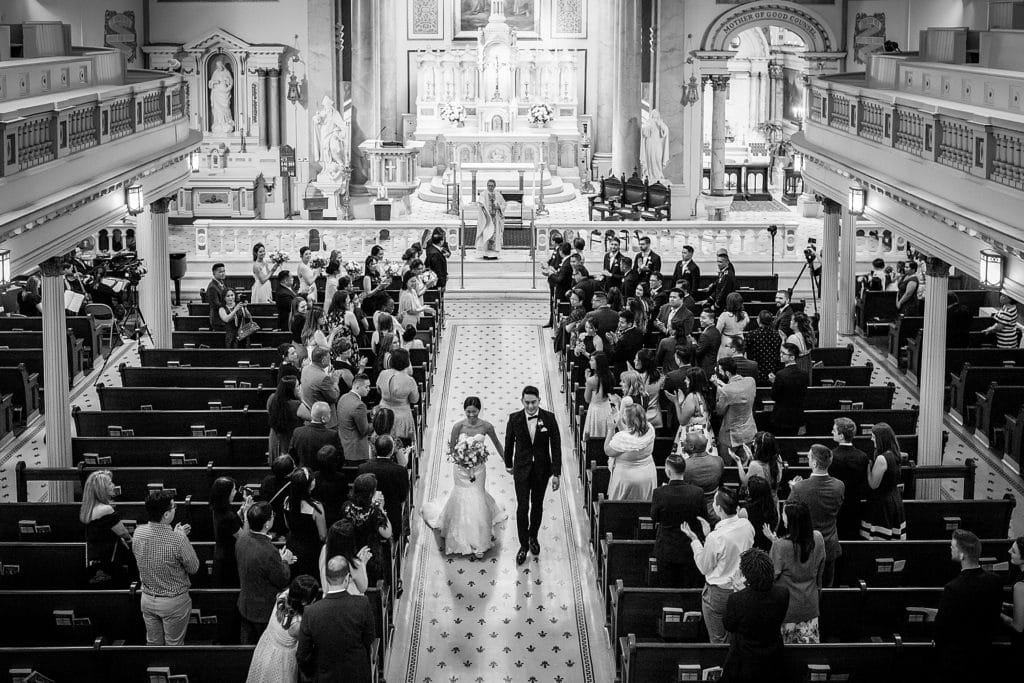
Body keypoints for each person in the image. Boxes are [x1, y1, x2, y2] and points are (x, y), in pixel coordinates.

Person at [422, 398, 507, 558]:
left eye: (474, 412)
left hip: (479, 469)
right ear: (464, 411)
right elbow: (452, 450)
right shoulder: (458, 426)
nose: (471, 415)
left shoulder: (486, 426)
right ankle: (464, 535)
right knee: (463, 497)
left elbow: (497, 444)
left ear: (479, 411)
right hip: (461, 470)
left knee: (477, 497)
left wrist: (507, 462)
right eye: (468, 412)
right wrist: (464, 459)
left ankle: (479, 536)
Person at [682, 488, 755, 643]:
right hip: (742, 588)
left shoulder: (716, 537)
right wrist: (709, 535)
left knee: (718, 640)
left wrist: (695, 540)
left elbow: (704, 567)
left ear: (719, 508)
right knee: (736, 636)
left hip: (719, 592)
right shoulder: (747, 525)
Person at [934, 529, 1006, 682]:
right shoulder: (996, 581)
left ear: (962, 555)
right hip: (985, 652)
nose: (950, 548)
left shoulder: (953, 588)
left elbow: (942, 626)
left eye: (952, 547)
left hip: (956, 658)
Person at [132, 490, 199, 646]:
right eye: (174, 506)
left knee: (153, 645)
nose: (175, 508)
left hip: (147, 598)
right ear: (167, 515)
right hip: (173, 602)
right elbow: (194, 567)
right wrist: (181, 537)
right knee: (174, 646)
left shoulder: (138, 532)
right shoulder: (178, 539)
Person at [504, 385, 562, 566]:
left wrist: (556, 473)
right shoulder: (514, 419)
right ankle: (523, 545)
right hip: (521, 469)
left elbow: (556, 446)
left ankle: (533, 537)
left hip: (542, 470)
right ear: (522, 401)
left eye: (533, 402)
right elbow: (509, 443)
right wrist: (508, 464)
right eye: (527, 402)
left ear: (539, 401)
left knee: (537, 505)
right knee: (522, 507)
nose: (530, 406)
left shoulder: (549, 418)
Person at [297, 555, 375, 682]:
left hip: (325, 676)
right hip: (356, 674)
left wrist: (316, 672)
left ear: (327, 579)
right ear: (347, 579)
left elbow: (302, 655)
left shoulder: (310, 612)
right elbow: (369, 638)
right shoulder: (362, 604)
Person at [721, 549, 790, 683]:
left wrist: (738, 591)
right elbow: (760, 604)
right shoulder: (783, 594)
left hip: (744, 661)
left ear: (748, 576)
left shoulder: (737, 599)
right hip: (773, 659)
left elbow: (729, 625)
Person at [236, 502, 296, 644]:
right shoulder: (269, 551)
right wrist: (285, 561)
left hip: (245, 604)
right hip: (263, 612)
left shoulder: (242, 538)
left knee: (247, 646)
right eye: (272, 516)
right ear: (267, 524)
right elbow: (282, 579)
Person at [765, 501, 825, 643]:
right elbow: (820, 572)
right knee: (807, 656)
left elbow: (769, 577)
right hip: (810, 605)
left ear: (792, 521)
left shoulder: (780, 546)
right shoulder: (818, 538)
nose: (782, 517)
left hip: (787, 610)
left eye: (784, 514)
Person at [787, 445, 844, 587]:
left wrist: (794, 488)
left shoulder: (799, 488)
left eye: (808, 457)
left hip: (805, 547)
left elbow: (789, 513)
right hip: (829, 546)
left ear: (814, 463)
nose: (807, 459)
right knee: (826, 588)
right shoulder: (839, 485)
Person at [245, 574, 320, 683]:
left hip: (264, 651)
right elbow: (310, 644)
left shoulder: (283, 596)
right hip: (280, 663)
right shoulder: (297, 625)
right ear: (304, 602)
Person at [651, 455, 707, 588]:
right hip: (690, 548)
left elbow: (654, 517)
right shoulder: (697, 492)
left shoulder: (659, 493)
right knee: (688, 587)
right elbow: (703, 518)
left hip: (667, 548)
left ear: (668, 472)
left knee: (668, 588)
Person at [79, 470, 134, 586]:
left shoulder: (88, 510)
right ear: (101, 489)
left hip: (96, 562)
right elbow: (125, 534)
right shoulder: (105, 509)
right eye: (109, 483)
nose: (113, 485)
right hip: (110, 564)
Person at [341, 474, 393, 584]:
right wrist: (382, 510)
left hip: (350, 552)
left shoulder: (346, 506)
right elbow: (387, 533)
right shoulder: (374, 511)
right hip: (369, 555)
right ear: (371, 493)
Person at [860, 423, 907, 541]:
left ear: (881, 438)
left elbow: (873, 484)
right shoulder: (895, 453)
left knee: (879, 540)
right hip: (894, 498)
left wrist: (868, 467)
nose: (871, 439)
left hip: (882, 503)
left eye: (873, 436)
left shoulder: (882, 458)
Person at [603, 400, 657, 501]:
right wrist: (619, 422)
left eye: (624, 415)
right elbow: (631, 435)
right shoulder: (650, 429)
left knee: (624, 509)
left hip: (627, 479)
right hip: (647, 475)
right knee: (643, 507)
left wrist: (611, 429)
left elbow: (608, 450)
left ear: (629, 420)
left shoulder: (622, 438)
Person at [359, 435, 410, 540]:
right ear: (392, 451)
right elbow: (403, 495)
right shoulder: (400, 471)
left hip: (368, 517)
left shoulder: (363, 468)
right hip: (392, 515)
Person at [829, 417, 870, 540]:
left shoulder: (832, 456)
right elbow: (864, 482)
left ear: (841, 436)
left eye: (834, 430)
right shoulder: (862, 456)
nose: (832, 432)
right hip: (854, 505)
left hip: (836, 505)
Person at [282, 467, 327, 580]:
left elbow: (287, 525)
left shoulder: (287, 501)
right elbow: (322, 536)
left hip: (292, 546)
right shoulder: (316, 507)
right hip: (311, 550)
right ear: (309, 485)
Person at [714, 357, 757, 464]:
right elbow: (737, 392)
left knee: (726, 467)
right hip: (748, 432)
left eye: (720, 371)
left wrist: (719, 389)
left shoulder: (725, 390)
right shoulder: (751, 381)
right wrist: (722, 386)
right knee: (745, 465)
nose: (719, 373)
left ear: (727, 373)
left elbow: (719, 410)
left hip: (730, 436)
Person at [210, 477, 249, 588]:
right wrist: (246, 515)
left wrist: (240, 512)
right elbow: (244, 538)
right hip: (229, 560)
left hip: (220, 554)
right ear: (226, 493)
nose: (235, 492)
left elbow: (230, 524)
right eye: (233, 490)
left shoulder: (216, 508)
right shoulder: (227, 517)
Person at [377, 348, 420, 446]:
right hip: (402, 418)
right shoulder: (409, 380)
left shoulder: (383, 374)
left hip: (384, 414)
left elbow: (379, 390)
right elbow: (414, 399)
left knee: (383, 443)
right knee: (403, 445)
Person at [680, 432, 724, 524]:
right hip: (714, 512)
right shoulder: (719, 461)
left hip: (692, 512)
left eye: (685, 441)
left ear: (692, 447)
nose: (683, 443)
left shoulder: (685, 466)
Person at [582, 352, 616, 464]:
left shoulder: (591, 380)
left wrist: (586, 379)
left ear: (598, 363)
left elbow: (587, 399)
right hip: (607, 408)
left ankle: (592, 460)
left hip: (596, 411)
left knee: (593, 437)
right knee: (607, 435)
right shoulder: (610, 375)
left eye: (592, 360)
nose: (589, 362)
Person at [769, 343, 809, 435]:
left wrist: (774, 382)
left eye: (783, 353)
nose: (780, 355)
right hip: (796, 415)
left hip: (781, 416)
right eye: (780, 352)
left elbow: (774, 396)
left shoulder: (781, 374)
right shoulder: (804, 374)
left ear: (792, 357)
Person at [290, 402, 342, 467]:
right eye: (329, 413)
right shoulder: (332, 435)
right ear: (323, 418)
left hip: (303, 472)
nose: (330, 415)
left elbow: (292, 454)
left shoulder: (297, 431)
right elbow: (339, 457)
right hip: (323, 473)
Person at [299, 348, 341, 428]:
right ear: (323, 361)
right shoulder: (323, 378)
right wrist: (335, 382)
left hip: (310, 416)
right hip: (325, 422)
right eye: (329, 358)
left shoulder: (305, 369)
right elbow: (334, 397)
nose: (330, 360)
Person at [338, 374, 372, 465]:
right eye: (366, 386)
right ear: (357, 387)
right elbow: (364, 431)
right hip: (357, 453)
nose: (369, 389)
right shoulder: (359, 405)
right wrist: (377, 422)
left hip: (344, 447)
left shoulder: (343, 397)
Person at [310, 445, 348, 528]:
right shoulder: (341, 478)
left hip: (317, 517)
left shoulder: (314, 477)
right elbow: (344, 498)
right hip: (336, 518)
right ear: (335, 461)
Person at [260, 454, 295, 539]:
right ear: (289, 472)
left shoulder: (267, 481)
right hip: (285, 523)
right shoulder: (293, 484)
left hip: (270, 521)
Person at [740, 475, 779, 552]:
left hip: (752, 549)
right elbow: (776, 523)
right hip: (768, 546)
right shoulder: (773, 505)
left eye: (748, 488)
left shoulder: (744, 512)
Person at [268, 377, 302, 462]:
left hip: (275, 437)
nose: (300, 388)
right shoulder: (296, 405)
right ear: (290, 390)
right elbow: (310, 416)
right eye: (297, 386)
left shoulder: (272, 398)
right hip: (288, 439)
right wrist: (301, 398)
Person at [747, 310, 782, 386]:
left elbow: (747, 351)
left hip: (756, 372)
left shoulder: (751, 335)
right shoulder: (777, 335)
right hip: (772, 371)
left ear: (758, 320)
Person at [606, 310, 644, 376]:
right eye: (619, 322)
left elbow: (615, 356)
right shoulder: (638, 332)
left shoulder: (625, 338)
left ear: (629, 324)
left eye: (622, 323)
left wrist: (612, 342)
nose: (619, 325)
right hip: (634, 369)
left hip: (624, 371)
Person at [475, 178, 506, 260]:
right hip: (487, 219)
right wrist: (481, 204)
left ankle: (493, 254)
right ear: (487, 186)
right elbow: (481, 201)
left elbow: (504, 204)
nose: (490, 187)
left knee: (494, 236)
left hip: (495, 219)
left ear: (495, 186)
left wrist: (499, 207)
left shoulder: (498, 195)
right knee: (486, 235)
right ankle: (485, 253)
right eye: (489, 185)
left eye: (492, 186)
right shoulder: (483, 194)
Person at [716, 292, 750, 360]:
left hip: (727, 342)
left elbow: (717, 331)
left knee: (725, 364)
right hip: (740, 340)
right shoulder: (745, 315)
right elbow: (746, 323)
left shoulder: (724, 315)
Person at [1002, 536, 1024, 636]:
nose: (1009, 551)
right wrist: (1010, 606)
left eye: (1014, 551)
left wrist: (999, 614)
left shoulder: (1020, 586)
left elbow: (1018, 627)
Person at [641, 108, 670, 180]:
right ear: (651, 115)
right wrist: (648, 127)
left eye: (656, 114)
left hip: (657, 144)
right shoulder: (648, 123)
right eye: (653, 114)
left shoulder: (660, 123)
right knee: (650, 159)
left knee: (658, 158)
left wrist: (660, 125)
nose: (655, 115)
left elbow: (666, 131)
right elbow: (644, 131)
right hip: (649, 144)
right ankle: (649, 174)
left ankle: (658, 174)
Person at [208, 58, 234, 134]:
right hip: (216, 93)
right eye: (217, 66)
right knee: (217, 110)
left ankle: (226, 123)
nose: (218, 67)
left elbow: (231, 83)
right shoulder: (215, 72)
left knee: (225, 108)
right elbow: (210, 84)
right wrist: (214, 82)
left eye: (219, 66)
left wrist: (227, 82)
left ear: (222, 65)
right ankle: (218, 123)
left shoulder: (226, 72)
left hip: (224, 94)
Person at [695, 308, 722, 378]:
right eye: (700, 317)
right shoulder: (716, 331)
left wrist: (693, 343)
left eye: (704, 318)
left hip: (705, 369)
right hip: (713, 366)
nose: (701, 320)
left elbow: (698, 352)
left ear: (712, 320)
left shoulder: (706, 335)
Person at [206, 263, 228, 329]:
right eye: (220, 272)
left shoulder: (221, 282)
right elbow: (216, 305)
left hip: (223, 316)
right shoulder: (212, 287)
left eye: (224, 271)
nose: (223, 273)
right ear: (214, 273)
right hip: (218, 319)